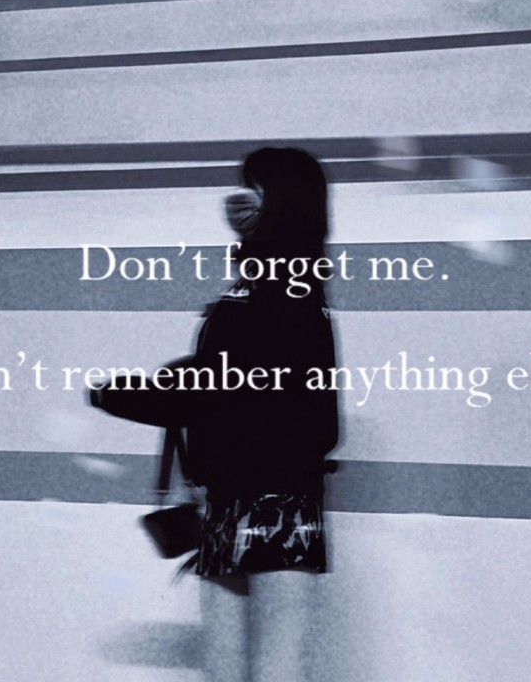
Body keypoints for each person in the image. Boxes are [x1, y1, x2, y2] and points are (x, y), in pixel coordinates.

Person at [90, 146, 339, 681]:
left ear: (282, 201)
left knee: (248, 667)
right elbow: (233, 384)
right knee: (272, 664)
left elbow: (209, 385)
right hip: (275, 500)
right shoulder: (292, 291)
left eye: (255, 190)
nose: (238, 202)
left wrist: (120, 394)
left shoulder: (266, 294)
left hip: (251, 499)